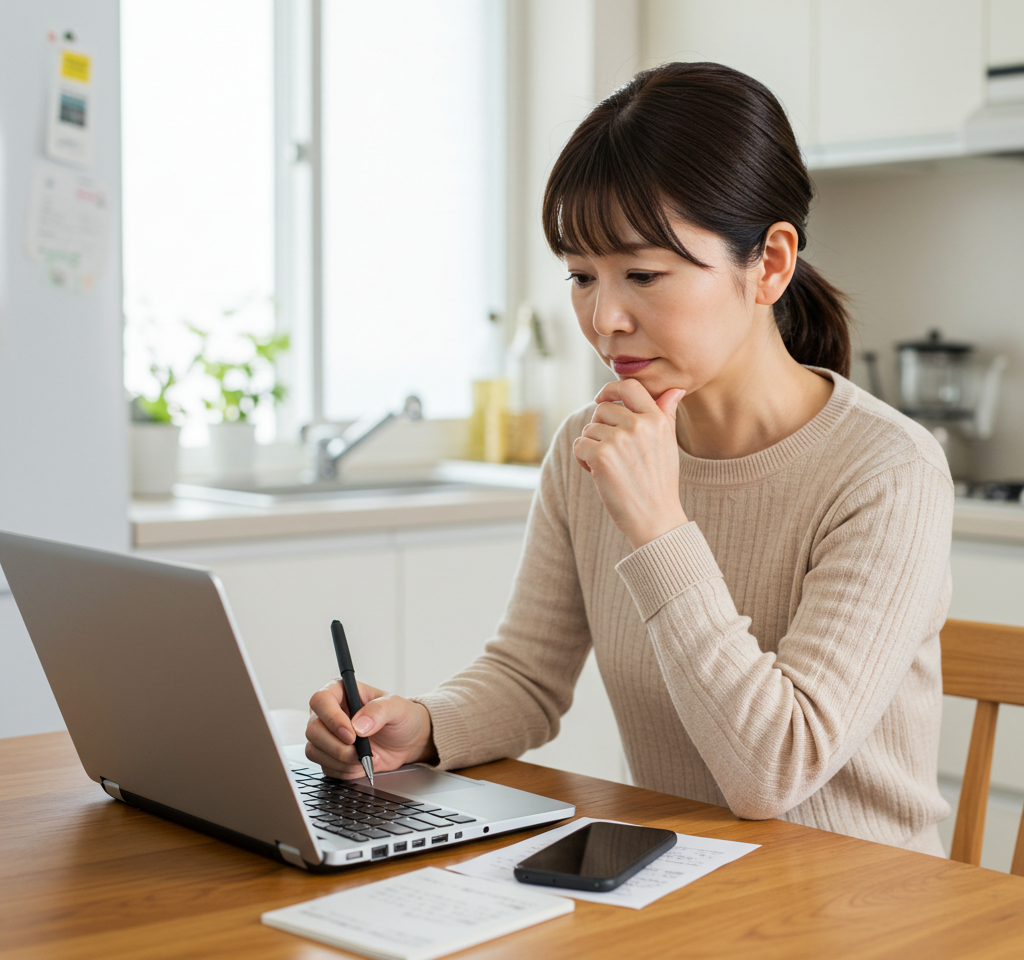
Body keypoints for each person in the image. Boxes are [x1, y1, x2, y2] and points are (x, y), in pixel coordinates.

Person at [306, 62, 953, 855]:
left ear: (770, 264)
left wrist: (657, 525)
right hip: (678, 876)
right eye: (582, 276)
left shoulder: (887, 473)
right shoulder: (590, 445)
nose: (604, 317)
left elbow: (774, 771)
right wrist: (423, 726)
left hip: (861, 901)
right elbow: (527, 678)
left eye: (643, 274)